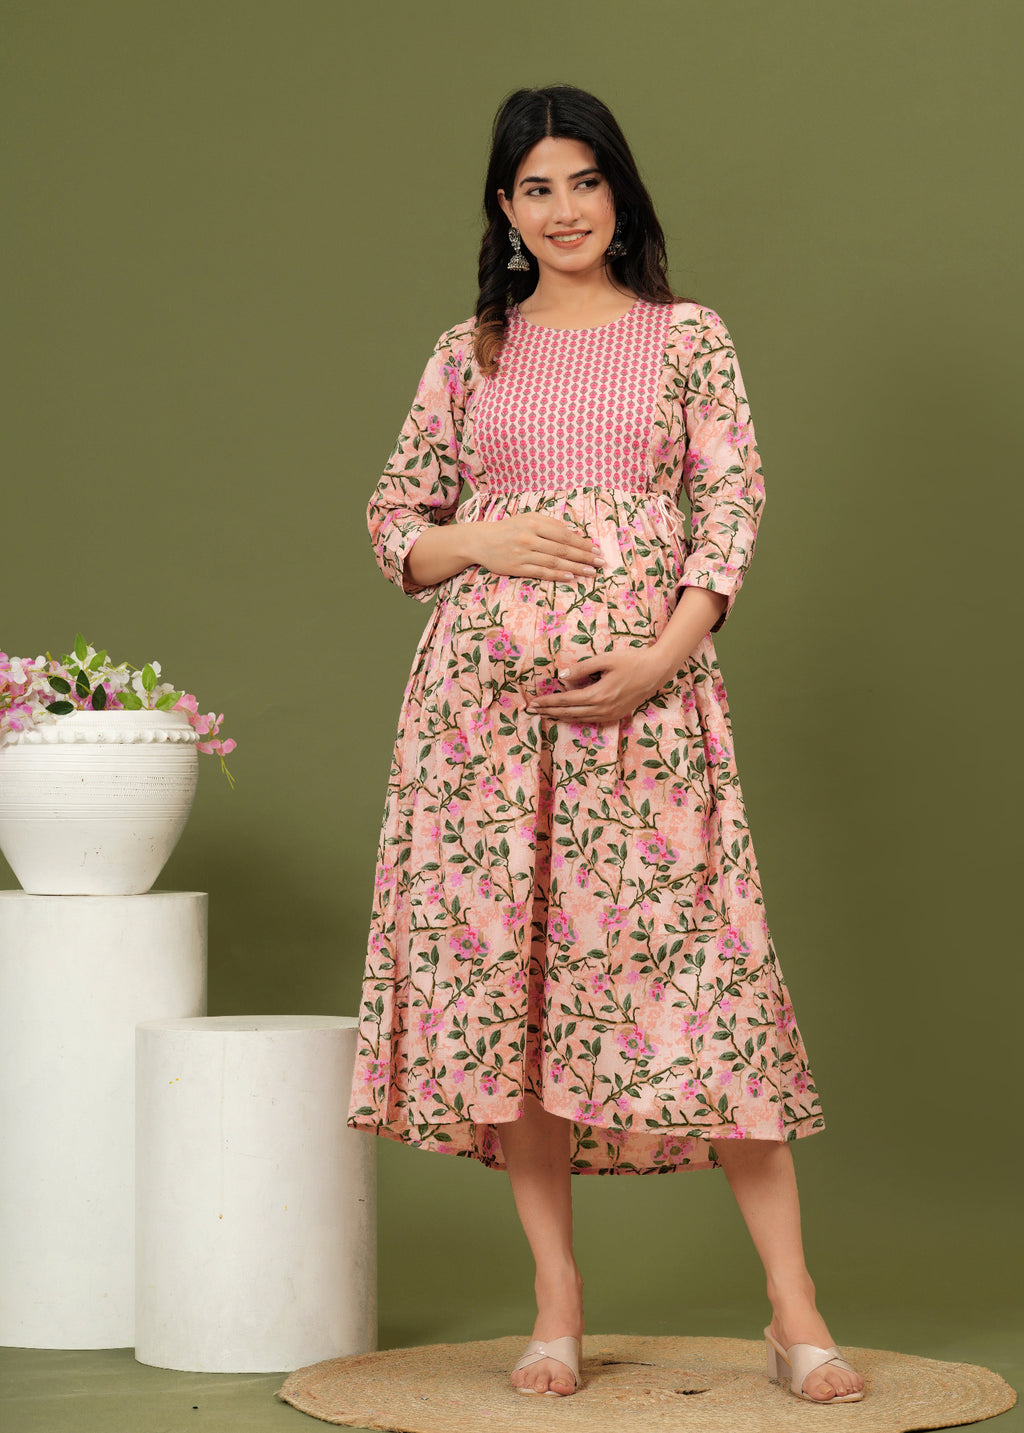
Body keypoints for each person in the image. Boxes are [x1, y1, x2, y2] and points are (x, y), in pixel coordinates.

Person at [346, 84, 866, 1406]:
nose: (563, 207)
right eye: (534, 187)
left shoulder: (689, 339)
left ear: (619, 193)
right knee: (525, 999)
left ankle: (795, 1308)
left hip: (649, 715)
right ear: (504, 211)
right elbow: (397, 516)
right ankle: (557, 1302)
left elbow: (730, 507)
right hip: (486, 729)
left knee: (713, 980)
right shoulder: (470, 352)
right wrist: (483, 539)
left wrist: (661, 656)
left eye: (583, 180)